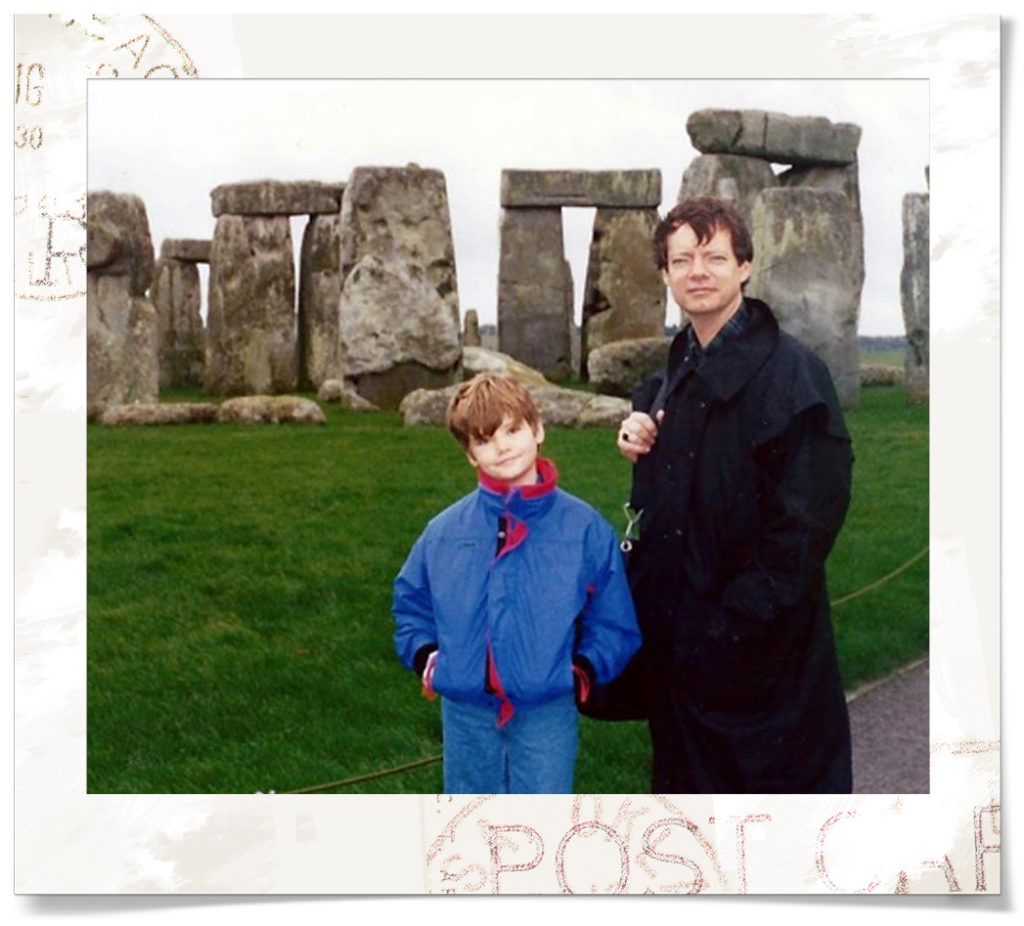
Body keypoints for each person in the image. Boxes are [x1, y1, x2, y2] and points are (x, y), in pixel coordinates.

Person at [617, 196, 854, 793]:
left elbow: (807, 520)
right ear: (666, 275)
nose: (698, 272)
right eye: (682, 260)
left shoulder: (792, 374)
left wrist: (739, 619)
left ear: (744, 267)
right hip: (681, 641)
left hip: (759, 647)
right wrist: (641, 430)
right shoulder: (678, 366)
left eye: (714, 257)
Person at [394, 373, 641, 794]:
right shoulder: (444, 532)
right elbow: (411, 605)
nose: (503, 446)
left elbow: (614, 621)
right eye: (485, 439)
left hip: (545, 712)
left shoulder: (583, 529)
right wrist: (430, 659)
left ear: (538, 429)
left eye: (513, 430)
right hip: (465, 713)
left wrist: (582, 670)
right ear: (470, 454)